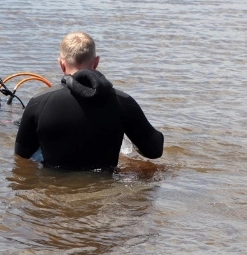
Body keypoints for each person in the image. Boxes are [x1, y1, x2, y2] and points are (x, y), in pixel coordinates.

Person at [14, 31, 164, 170]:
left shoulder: (38, 102)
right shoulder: (123, 102)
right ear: (96, 62)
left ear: (61, 64)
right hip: (107, 188)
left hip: (54, 187)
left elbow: (21, 156)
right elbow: (154, 151)